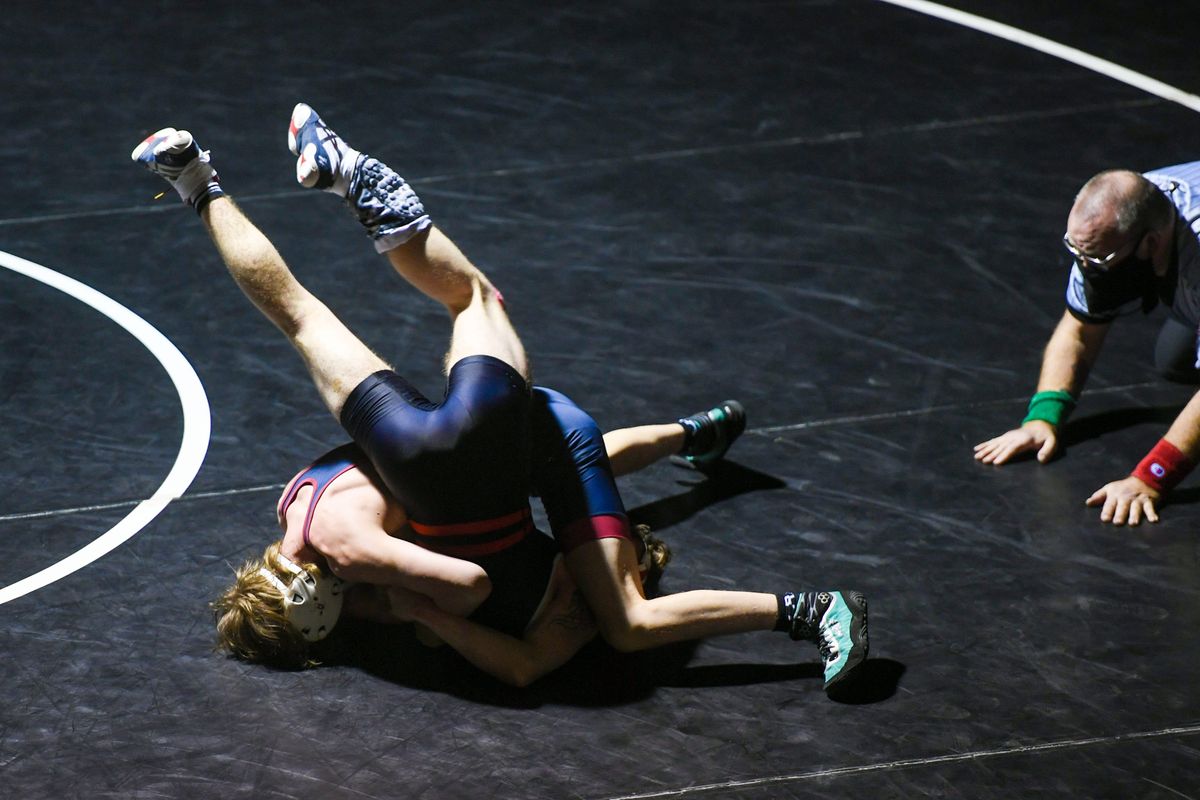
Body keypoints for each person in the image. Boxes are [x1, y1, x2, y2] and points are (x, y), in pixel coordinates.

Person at [132, 104, 868, 691]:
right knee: (319, 311)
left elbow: (474, 589)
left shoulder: (361, 562)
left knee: (628, 618)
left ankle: (805, 603)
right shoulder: (297, 509)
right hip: (438, 445)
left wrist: (411, 610)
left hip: (497, 448)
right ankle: (200, 178)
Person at [974, 162, 1200, 526]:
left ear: (1151, 244)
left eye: (1098, 260)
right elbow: (1079, 330)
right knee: (1175, 360)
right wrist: (1042, 419)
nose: (1086, 267)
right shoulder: (1109, 229)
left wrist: (1152, 478)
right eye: (1078, 252)